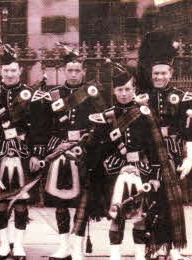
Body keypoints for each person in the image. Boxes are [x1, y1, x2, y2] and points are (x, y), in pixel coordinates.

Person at [0, 43, 46, 260]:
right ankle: (4, 244)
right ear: (0, 72)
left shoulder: (31, 94)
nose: (9, 74)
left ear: (19, 71)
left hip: (23, 154)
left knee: (22, 201)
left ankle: (20, 245)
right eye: (6, 71)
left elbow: (39, 127)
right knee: (0, 202)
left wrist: (36, 154)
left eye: (13, 70)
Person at [86, 61, 163, 260]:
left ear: (134, 89)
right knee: (116, 215)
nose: (124, 93)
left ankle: (139, 256)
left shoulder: (144, 114)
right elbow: (99, 147)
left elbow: (155, 148)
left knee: (140, 217)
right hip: (115, 171)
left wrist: (155, 176)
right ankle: (114, 256)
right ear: (114, 91)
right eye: (120, 89)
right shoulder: (107, 116)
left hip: (141, 170)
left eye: (127, 89)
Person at [42, 43, 106, 260]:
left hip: (85, 153)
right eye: (69, 70)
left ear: (83, 71)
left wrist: (86, 142)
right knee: (60, 201)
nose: (73, 73)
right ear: (63, 70)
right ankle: (63, 246)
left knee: (82, 202)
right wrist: (56, 146)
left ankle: (77, 248)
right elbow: (46, 127)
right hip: (60, 153)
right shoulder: (54, 94)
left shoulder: (92, 93)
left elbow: (102, 123)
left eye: (77, 70)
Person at [136, 31, 189, 259]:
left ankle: (175, 248)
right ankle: (157, 246)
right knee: (152, 203)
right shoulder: (142, 97)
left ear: (171, 73)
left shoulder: (182, 96)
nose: (159, 77)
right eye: (155, 73)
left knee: (172, 203)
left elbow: (188, 132)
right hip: (149, 155)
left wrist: (189, 158)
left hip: (173, 155)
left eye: (163, 73)